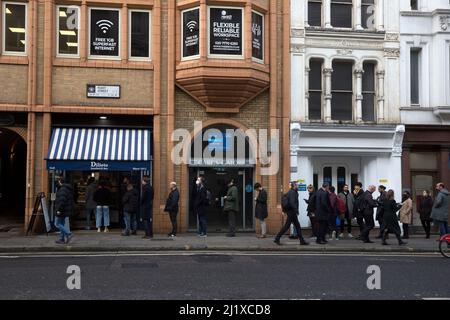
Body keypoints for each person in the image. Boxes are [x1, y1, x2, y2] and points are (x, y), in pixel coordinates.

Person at [54, 178, 74, 245]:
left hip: (62, 210)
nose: (57, 183)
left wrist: (59, 210)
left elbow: (62, 201)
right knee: (61, 224)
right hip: (64, 210)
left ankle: (68, 233)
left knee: (57, 223)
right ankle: (62, 239)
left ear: (61, 182)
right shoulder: (66, 189)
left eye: (58, 181)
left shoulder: (62, 189)